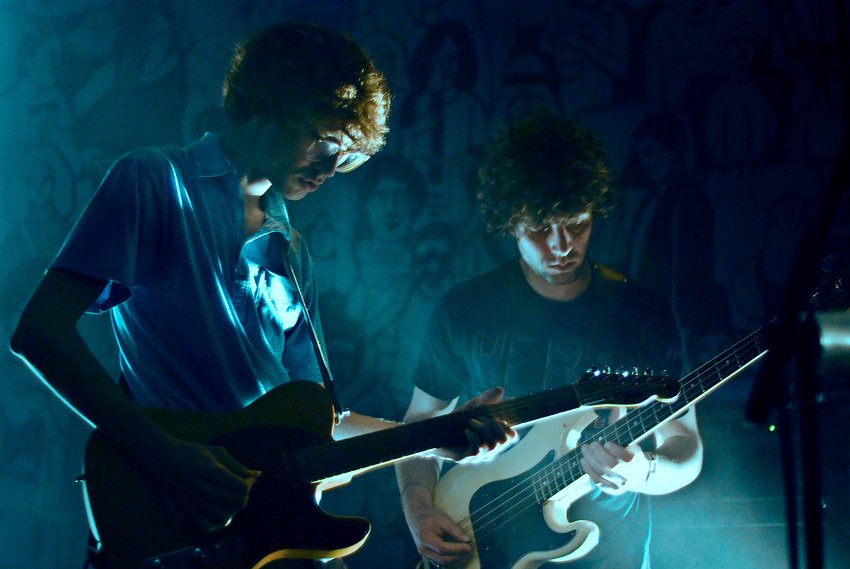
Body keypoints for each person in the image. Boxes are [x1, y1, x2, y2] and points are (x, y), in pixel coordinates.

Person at [10, 22, 510, 569]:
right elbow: (39, 332)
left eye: (346, 155)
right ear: (271, 104)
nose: (332, 168)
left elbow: (321, 424)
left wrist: (432, 438)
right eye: (325, 141)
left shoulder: (291, 251)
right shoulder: (153, 179)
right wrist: (164, 454)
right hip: (179, 526)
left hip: (273, 540)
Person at [396, 108, 703, 569]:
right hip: (482, 541)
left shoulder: (643, 314)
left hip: (608, 554)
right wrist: (419, 508)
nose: (562, 246)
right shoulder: (465, 309)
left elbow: (685, 441)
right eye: (540, 229)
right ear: (509, 223)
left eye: (577, 224)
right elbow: (422, 421)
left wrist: (645, 470)